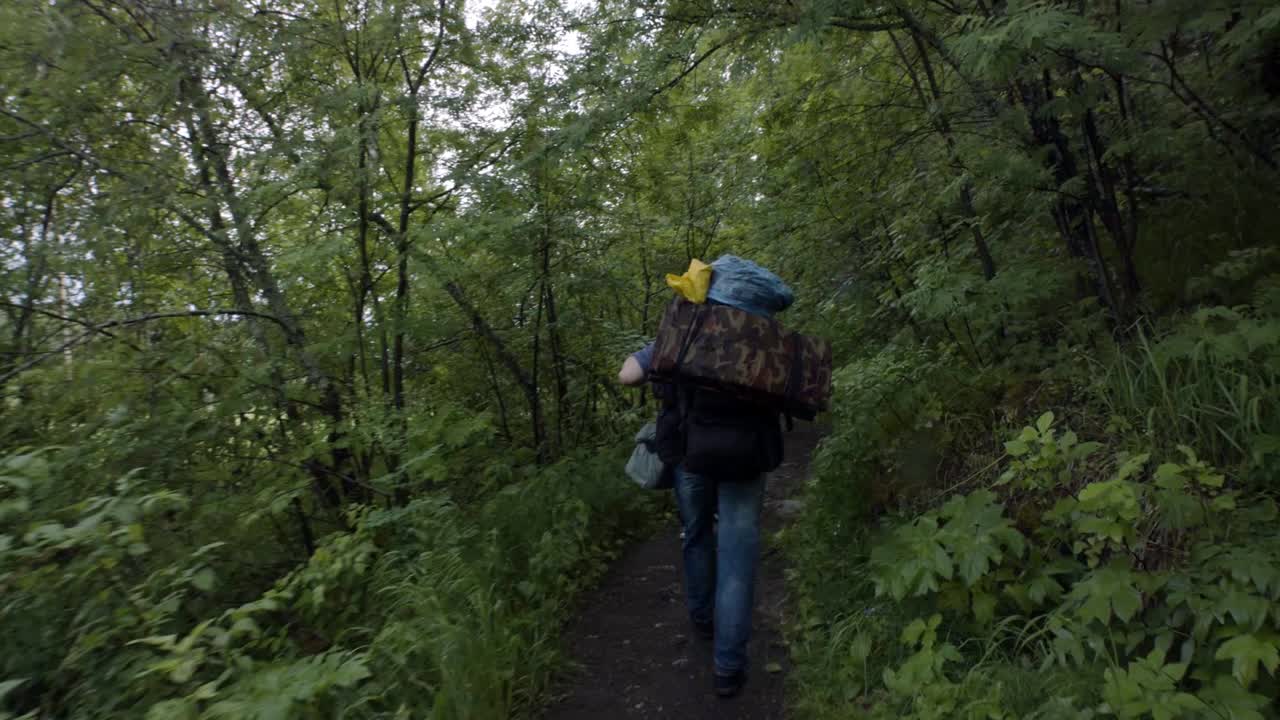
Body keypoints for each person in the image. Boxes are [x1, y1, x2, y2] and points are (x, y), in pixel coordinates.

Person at [618, 340, 769, 699]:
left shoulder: (683, 330)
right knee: (737, 555)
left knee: (697, 534)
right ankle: (728, 669)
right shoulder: (757, 332)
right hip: (746, 455)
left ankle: (703, 619)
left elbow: (627, 376)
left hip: (691, 454)